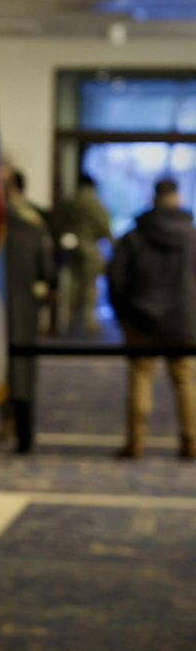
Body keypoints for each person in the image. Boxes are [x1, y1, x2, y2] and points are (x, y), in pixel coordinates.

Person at [107, 178, 196, 459]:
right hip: (182, 320)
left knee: (140, 378)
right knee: (185, 380)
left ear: (153, 199)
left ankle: (136, 441)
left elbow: (115, 277)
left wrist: (123, 313)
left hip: (140, 319)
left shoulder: (134, 236)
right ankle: (191, 440)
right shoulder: (192, 237)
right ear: (178, 199)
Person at [4, 167, 57, 452]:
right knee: (22, 375)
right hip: (23, 308)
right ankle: (24, 438)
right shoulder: (33, 225)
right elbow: (48, 271)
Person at [58, 173, 113, 336]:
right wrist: (112, 243)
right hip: (90, 248)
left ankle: (70, 322)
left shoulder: (71, 201)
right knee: (90, 287)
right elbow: (104, 225)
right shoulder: (95, 203)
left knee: (73, 286)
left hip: (73, 246)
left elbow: (59, 223)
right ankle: (90, 323)